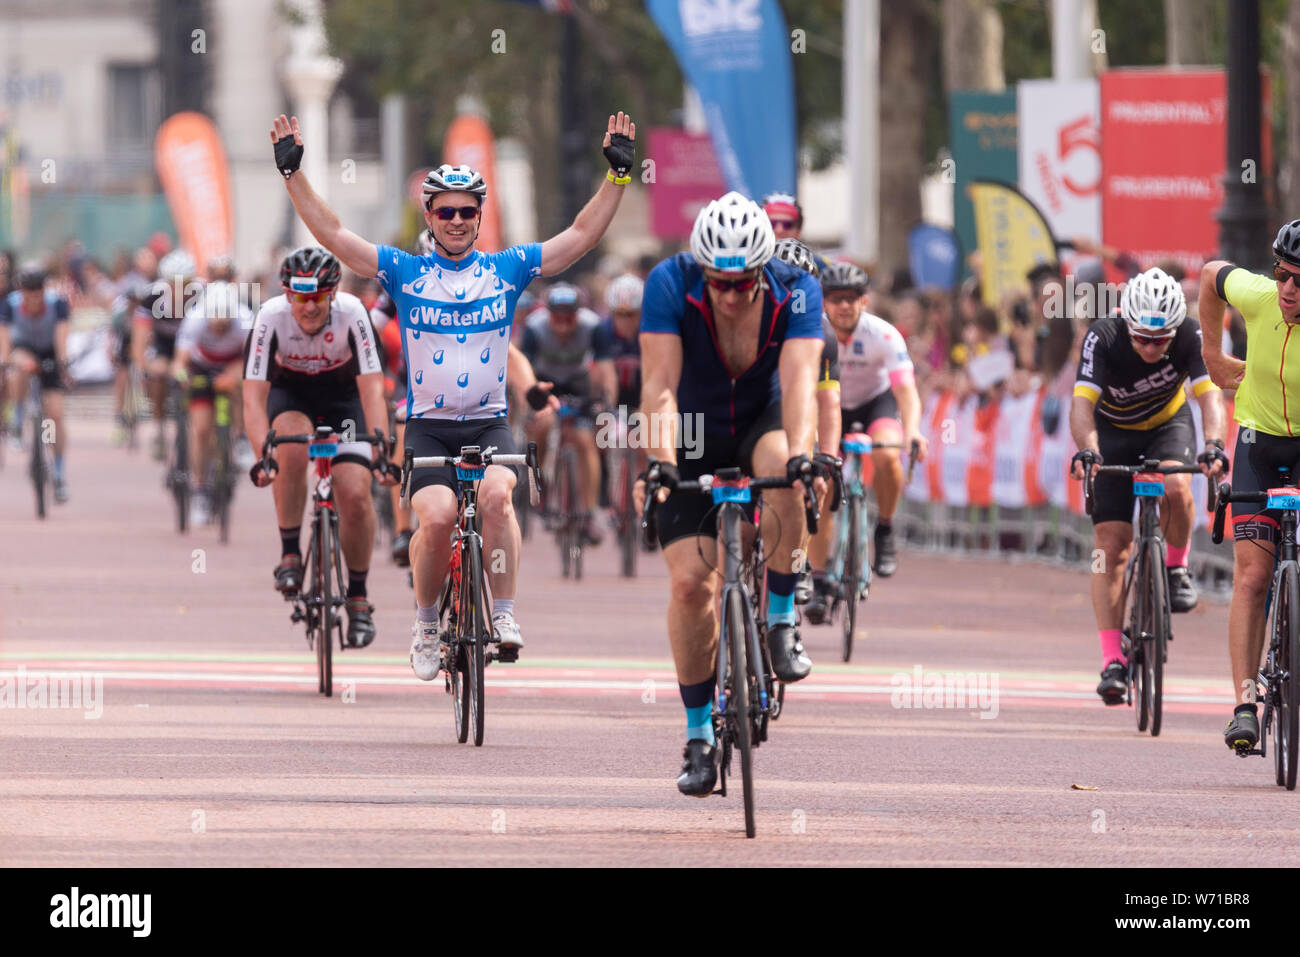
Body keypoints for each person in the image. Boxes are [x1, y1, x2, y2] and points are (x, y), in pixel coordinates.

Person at [269, 109, 636, 677]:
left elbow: (581, 237)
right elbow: (334, 235)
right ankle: (424, 622)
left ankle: (505, 613)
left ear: (480, 217)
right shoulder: (403, 272)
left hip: (488, 423)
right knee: (437, 518)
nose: (458, 221)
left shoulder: (507, 268)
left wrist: (615, 178)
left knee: (495, 501)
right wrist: (294, 175)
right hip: (429, 427)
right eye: (447, 212)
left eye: (468, 212)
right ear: (431, 216)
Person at [635, 191, 824, 796]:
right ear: (702, 271)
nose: (732, 293)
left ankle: (780, 616)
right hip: (691, 432)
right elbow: (659, 386)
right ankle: (697, 736)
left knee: (789, 480)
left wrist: (802, 455)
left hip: (762, 422)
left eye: (744, 283)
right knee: (692, 584)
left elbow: (799, 383)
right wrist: (661, 462)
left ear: (764, 272)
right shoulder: (670, 282)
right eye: (720, 282)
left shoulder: (797, 289)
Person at [1070, 266, 1226, 705]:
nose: (1151, 347)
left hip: (1165, 425)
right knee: (1110, 546)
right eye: (1142, 338)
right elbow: (1081, 407)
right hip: (1111, 434)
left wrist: (1213, 444)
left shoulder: (1191, 335)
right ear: (1127, 322)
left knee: (1177, 485)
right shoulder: (1104, 337)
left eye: (1161, 340)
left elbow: (1210, 396)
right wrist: (1088, 449)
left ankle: (1175, 567)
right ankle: (1111, 660)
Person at [243, 247, 395, 647]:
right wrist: (263, 454)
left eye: (318, 298)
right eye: (300, 298)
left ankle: (359, 598)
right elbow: (253, 399)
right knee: (289, 450)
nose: (308, 308)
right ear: (286, 294)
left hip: (343, 400)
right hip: (291, 395)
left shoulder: (353, 313)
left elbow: (372, 389)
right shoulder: (270, 317)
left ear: (333, 294)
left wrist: (380, 446)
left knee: (354, 493)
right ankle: (290, 552)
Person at [1199, 221, 1300, 749]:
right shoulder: (1259, 296)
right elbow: (1210, 274)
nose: (1287, 289)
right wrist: (1213, 357)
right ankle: (1243, 704)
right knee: (1252, 577)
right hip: (1259, 449)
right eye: (1283, 274)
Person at [808, 261, 928, 603]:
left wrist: (914, 431)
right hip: (828, 407)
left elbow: (906, 391)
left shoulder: (885, 335)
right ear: (824, 302)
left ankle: (885, 527)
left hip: (877, 404)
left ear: (865, 300)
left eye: (852, 298)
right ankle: (819, 577)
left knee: (888, 454)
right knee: (823, 483)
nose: (844, 306)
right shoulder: (813, 333)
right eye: (835, 298)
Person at [769, 238, 843, 615]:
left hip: (798, 414)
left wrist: (827, 458)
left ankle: (798, 564)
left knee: (806, 474)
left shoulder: (822, 335)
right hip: (755, 413)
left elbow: (828, 403)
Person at [522, 282, 611, 545]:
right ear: (548, 314)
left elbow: (606, 369)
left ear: (578, 314)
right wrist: (529, 402)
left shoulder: (593, 326)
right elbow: (523, 370)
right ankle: (541, 482)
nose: (562, 325)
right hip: (543, 382)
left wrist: (606, 402)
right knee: (542, 425)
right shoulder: (534, 328)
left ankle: (589, 514)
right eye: (556, 318)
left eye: (568, 318)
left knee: (585, 441)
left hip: (577, 383)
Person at [173, 281, 254, 525]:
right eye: (214, 324)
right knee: (201, 431)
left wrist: (233, 375)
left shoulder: (245, 320)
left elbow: (254, 362)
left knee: (242, 384)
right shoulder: (195, 318)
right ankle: (200, 489)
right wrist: (182, 377)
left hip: (234, 363)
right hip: (202, 367)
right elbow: (180, 362)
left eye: (224, 324)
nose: (218, 329)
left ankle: (242, 439)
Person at [0, 264, 71, 501]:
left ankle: (58, 473)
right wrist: (7, 360)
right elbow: (5, 343)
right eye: (29, 294)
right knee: (18, 368)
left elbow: (62, 337)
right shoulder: (9, 304)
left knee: (54, 417)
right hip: (22, 351)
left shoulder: (56, 303)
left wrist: (62, 363)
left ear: (43, 290)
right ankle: (18, 422)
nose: (33, 299)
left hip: (50, 354)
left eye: (38, 293)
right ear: (22, 292)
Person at [134, 249, 199, 461]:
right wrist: (145, 368)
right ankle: (159, 427)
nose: (179, 289)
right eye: (173, 283)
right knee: (157, 373)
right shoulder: (151, 297)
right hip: (165, 345)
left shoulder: (205, 295)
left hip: (194, 348)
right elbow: (140, 340)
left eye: (185, 283)